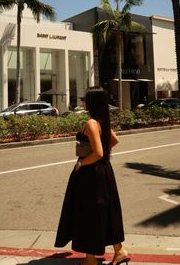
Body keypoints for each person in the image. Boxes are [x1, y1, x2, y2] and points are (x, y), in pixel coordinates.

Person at [55, 86, 129, 265]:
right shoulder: (102, 121)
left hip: (92, 174)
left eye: (85, 99)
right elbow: (114, 140)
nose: (83, 102)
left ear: (92, 102)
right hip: (104, 171)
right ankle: (119, 251)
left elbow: (98, 152)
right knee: (104, 212)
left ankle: (90, 259)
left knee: (90, 214)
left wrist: (81, 163)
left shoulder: (92, 123)